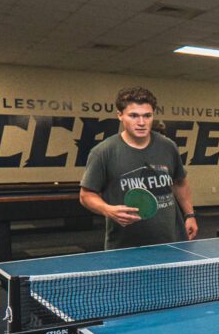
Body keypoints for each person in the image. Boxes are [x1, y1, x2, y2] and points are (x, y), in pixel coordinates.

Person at [80, 87, 197, 249]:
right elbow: (86, 195)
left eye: (147, 116)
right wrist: (107, 209)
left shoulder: (168, 146)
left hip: (171, 241)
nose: (141, 123)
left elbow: (180, 183)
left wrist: (190, 215)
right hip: (125, 246)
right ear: (120, 115)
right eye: (133, 116)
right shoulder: (103, 152)